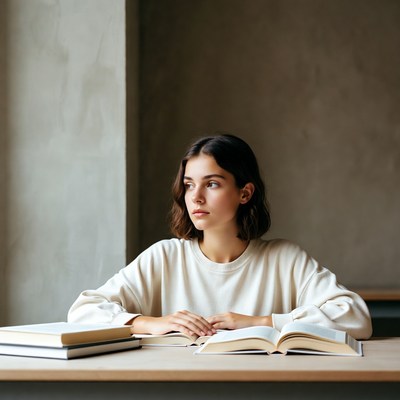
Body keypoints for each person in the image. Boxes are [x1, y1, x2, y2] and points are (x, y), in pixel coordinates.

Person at [68, 134, 372, 339]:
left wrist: (260, 323)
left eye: (211, 184)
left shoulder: (284, 258)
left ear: (245, 193)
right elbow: (83, 311)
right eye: (189, 185)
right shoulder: (164, 257)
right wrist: (154, 323)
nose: (195, 197)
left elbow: (355, 318)